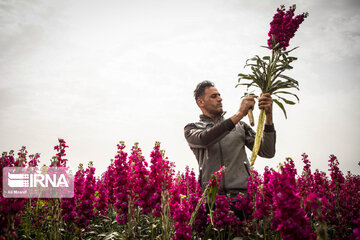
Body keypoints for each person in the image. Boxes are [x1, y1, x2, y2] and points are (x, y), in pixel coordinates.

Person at [184, 80, 276, 198]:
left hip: (242, 197)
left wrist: (269, 115)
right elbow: (204, 139)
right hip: (212, 200)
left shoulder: (240, 126)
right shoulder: (192, 128)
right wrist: (239, 114)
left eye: (219, 95)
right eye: (214, 96)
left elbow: (267, 151)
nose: (220, 99)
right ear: (201, 102)